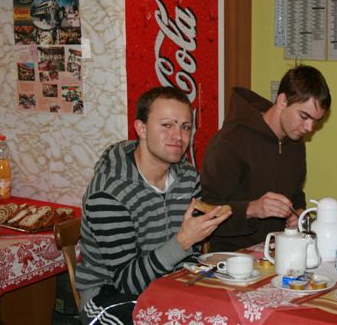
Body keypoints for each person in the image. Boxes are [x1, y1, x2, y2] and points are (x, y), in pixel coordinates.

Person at [76, 86, 231, 325]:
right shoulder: (108, 193)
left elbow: (191, 256)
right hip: (108, 298)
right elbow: (126, 282)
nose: (178, 136)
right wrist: (182, 242)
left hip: (167, 287)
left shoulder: (188, 177)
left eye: (185, 127)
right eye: (167, 125)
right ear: (141, 129)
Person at [200, 65, 331, 252]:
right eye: (304, 116)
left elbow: (295, 192)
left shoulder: (295, 141)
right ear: (283, 101)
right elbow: (205, 212)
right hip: (232, 256)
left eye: (316, 121)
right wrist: (251, 209)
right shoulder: (230, 141)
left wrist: (299, 213)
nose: (309, 128)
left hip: (278, 251)